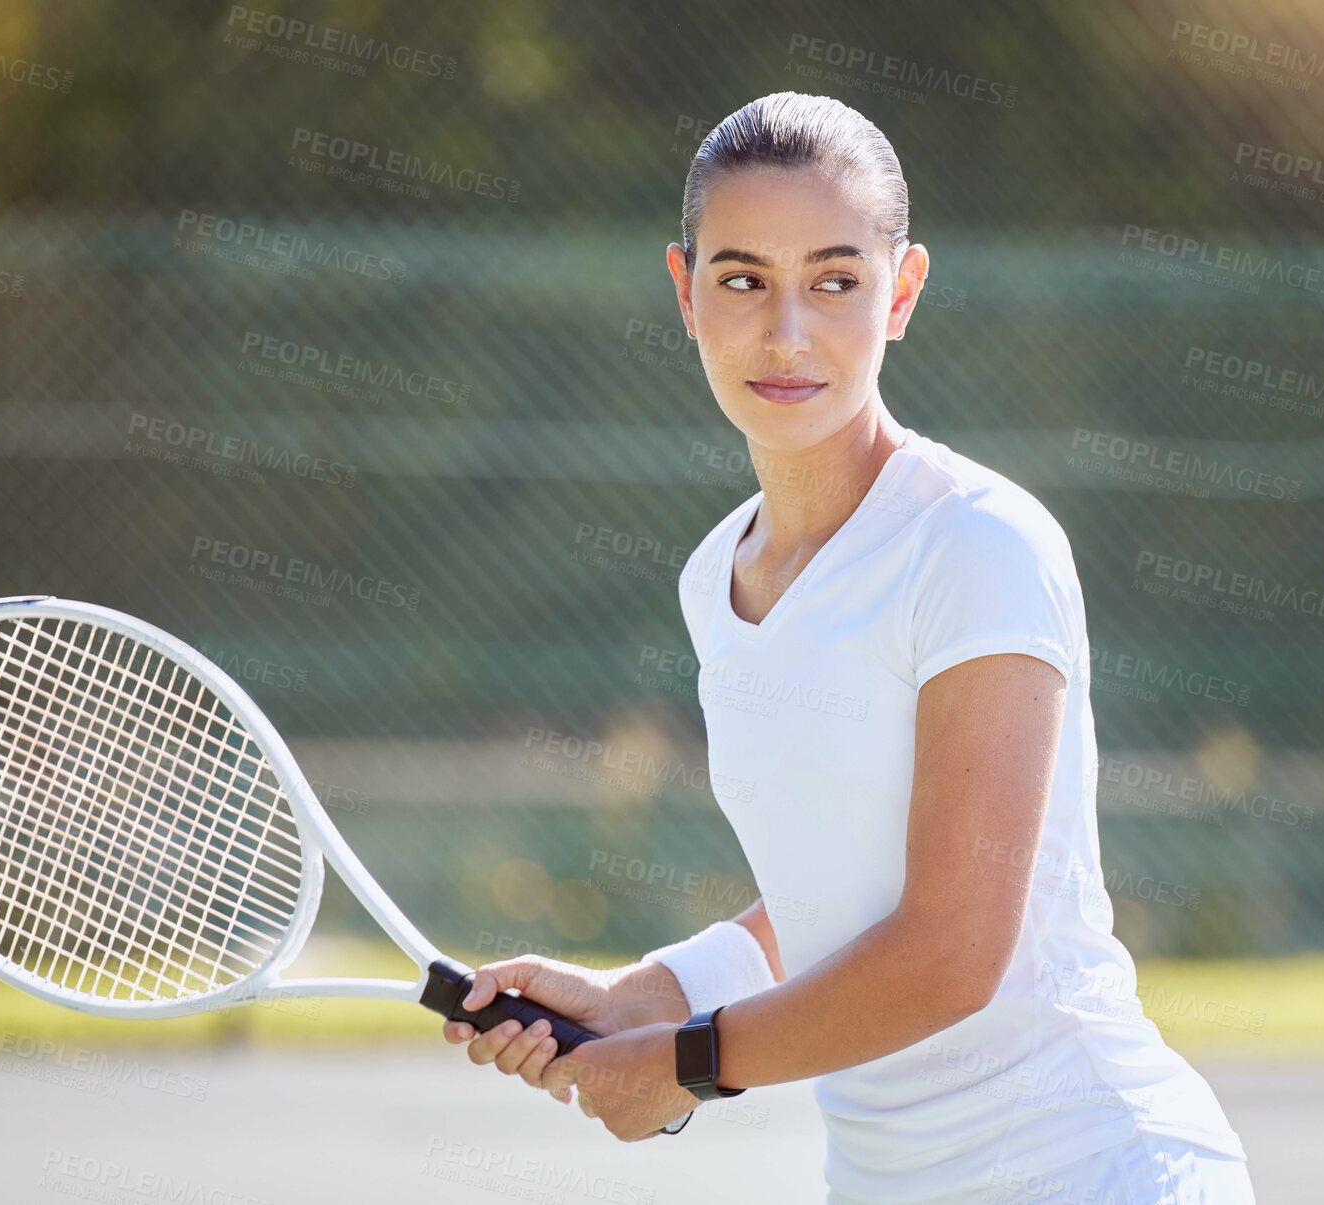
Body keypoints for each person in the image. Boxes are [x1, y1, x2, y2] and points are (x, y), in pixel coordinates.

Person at [443, 91, 1255, 1204]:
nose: (787, 332)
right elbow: (843, 885)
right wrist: (650, 991)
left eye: (835, 281)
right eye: (742, 280)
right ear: (685, 293)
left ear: (902, 291)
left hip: (1098, 1170)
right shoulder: (712, 577)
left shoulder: (975, 543)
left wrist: (687, 1062)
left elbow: (952, 948)